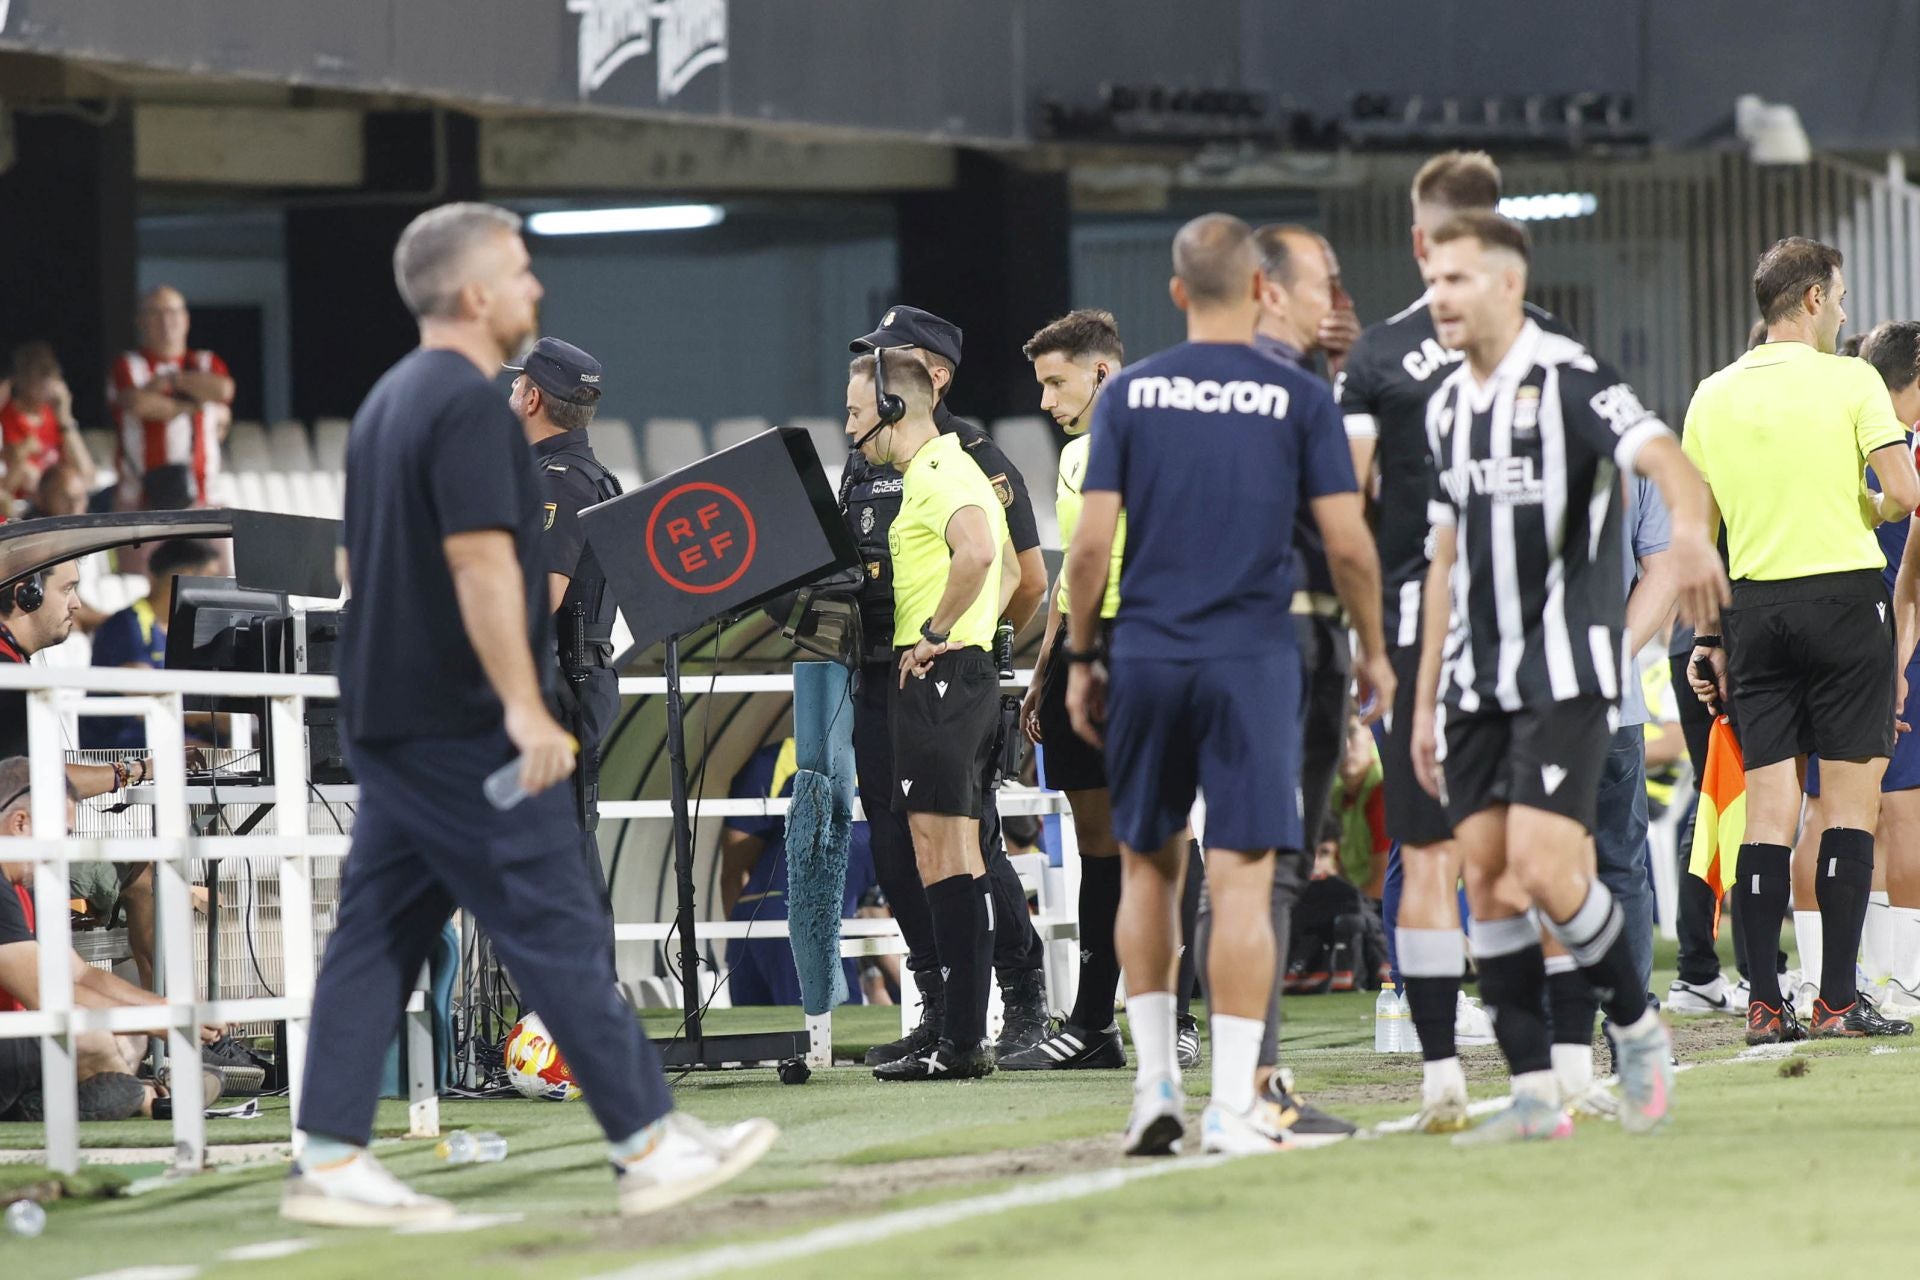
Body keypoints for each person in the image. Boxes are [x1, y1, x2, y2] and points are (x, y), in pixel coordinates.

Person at [284, 202, 775, 1227]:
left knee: (376, 930)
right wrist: (524, 705)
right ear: (472, 294)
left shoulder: (385, 402)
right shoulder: (466, 407)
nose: (534, 287)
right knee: (554, 914)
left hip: (387, 710)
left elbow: (354, 565)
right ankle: (646, 1141)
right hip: (462, 717)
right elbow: (480, 568)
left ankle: (328, 1158)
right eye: (518, 271)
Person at [1065, 213, 1391, 1155]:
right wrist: (1372, 649)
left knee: (1147, 868)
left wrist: (1087, 656)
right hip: (1252, 658)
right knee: (1244, 879)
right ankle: (1234, 1104)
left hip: (1149, 657)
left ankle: (1155, 1085)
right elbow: (1346, 543)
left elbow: (1090, 549)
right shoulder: (1296, 398)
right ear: (1261, 290)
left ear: (1176, 293)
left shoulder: (1128, 395)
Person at [1408, 211, 1726, 1144]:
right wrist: (1426, 694)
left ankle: (1636, 1030)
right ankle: (1539, 1095)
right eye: (1433, 281)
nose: (1440, 298)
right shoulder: (1443, 408)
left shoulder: (1572, 379)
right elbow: (1444, 558)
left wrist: (1696, 536)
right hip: (1473, 681)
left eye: (1458, 279)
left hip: (1567, 673)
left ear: (1508, 284)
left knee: (1551, 869)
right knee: (1495, 885)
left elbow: (1670, 464)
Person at [1336, 150, 1576, 1132]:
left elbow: (1344, 507)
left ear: (1418, 235)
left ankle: (1441, 1077)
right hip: (1532, 633)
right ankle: (1562, 1070)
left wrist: (1360, 644)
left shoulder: (1380, 355)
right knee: (1548, 852)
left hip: (1411, 630)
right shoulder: (1555, 341)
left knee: (1427, 851)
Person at [1687, 237, 1920, 1046]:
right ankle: (1835, 1000)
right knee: (1851, 810)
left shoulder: (1710, 396)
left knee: (1770, 815)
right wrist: (1870, 510)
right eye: (1843, 297)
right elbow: (1905, 492)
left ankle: (1761, 1002)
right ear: (1814, 299)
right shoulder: (1853, 378)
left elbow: (1696, 536)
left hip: (1752, 609)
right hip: (1846, 602)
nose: (1847, 312)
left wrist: (1707, 639)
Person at [842, 306, 1051, 1066]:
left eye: (862, 402)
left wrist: (953, 640)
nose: (852, 419)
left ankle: (1011, 1001)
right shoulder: (878, 463)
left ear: (927, 380)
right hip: (882, 670)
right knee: (905, 848)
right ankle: (947, 1016)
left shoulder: (961, 458)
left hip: (936, 671)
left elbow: (1018, 575)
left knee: (965, 847)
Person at [1006, 308, 1130, 1071]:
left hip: (1108, 653)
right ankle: (1146, 1018)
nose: (1048, 402)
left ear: (1100, 374)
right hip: (1113, 649)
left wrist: (1071, 662)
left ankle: (1096, 1024)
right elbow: (1063, 583)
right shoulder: (1152, 446)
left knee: (1114, 849)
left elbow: (1086, 569)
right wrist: (1041, 670)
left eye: (1057, 384)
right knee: (1146, 843)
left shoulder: (1092, 455)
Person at [1799, 319, 1920, 1021]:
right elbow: (1911, 577)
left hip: (1814, 632)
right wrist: (1899, 660)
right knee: (1898, 812)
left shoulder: (1828, 441)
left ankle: (1836, 977)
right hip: (1885, 643)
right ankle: (1899, 978)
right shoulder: (1895, 450)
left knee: (1821, 812)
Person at [0, 759, 223, 1123]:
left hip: (16, 1041)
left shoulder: (25, 885)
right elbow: (49, 993)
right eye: (62, 834)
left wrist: (167, 1007)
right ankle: (147, 1100)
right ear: (20, 823)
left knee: (130, 1037)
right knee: (95, 1037)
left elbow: (80, 975)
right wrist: (161, 1019)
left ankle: (61, 1101)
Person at [505, 336, 623, 914]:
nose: (508, 391)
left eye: (516, 384)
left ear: (532, 398)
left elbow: (539, 596)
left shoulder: (555, 480)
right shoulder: (579, 474)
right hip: (568, 680)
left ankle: (576, 1002)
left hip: (560, 686)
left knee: (559, 861)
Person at [718, 737, 879, 1005]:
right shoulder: (776, 762)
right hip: (805, 924)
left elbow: (732, 873)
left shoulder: (808, 780)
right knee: (832, 1040)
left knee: (755, 1042)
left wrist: (743, 940)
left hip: (751, 922)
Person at [82, 538, 224, 751]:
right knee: (216, 756)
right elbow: (142, 698)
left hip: (169, 735)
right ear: (185, 576)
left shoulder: (187, 629)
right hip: (124, 745)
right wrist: (213, 716)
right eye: (211, 578)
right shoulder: (127, 625)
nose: (218, 589)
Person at [109, 286, 235, 510]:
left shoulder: (205, 361)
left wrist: (171, 381)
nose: (165, 321)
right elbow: (139, 404)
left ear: (186, 319)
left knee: (228, 544)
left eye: (173, 312)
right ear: (140, 321)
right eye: (156, 313)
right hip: (140, 501)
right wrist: (194, 406)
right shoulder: (129, 365)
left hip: (203, 498)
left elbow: (223, 389)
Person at [1, 342, 94, 503]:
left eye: (51, 372)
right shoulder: (7, 416)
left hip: (55, 505)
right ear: (20, 378)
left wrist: (65, 418)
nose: (46, 379)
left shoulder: (54, 416)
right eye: (40, 372)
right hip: (21, 510)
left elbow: (86, 474)